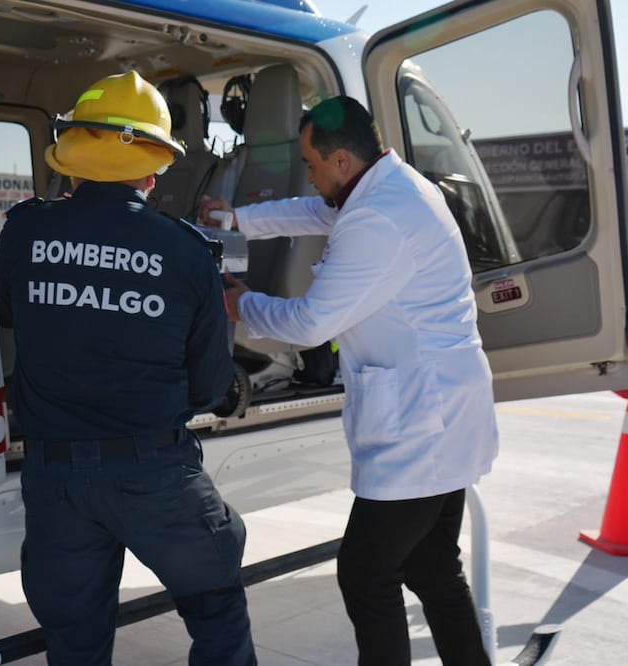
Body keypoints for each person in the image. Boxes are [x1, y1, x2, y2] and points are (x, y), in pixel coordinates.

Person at [202, 95, 498, 665]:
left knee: (366, 574)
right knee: (432, 567)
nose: (309, 178)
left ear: (341, 162)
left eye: (312, 165)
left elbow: (312, 324)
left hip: (422, 422)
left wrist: (240, 306)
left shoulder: (378, 220)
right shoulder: (391, 186)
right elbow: (317, 212)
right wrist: (241, 219)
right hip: (443, 406)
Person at [0, 71, 256, 666]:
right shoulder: (188, 251)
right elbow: (212, 384)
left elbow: (7, 312)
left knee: (75, 639)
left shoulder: (25, 230)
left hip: (54, 479)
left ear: (74, 161)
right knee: (217, 610)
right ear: (154, 168)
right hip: (155, 474)